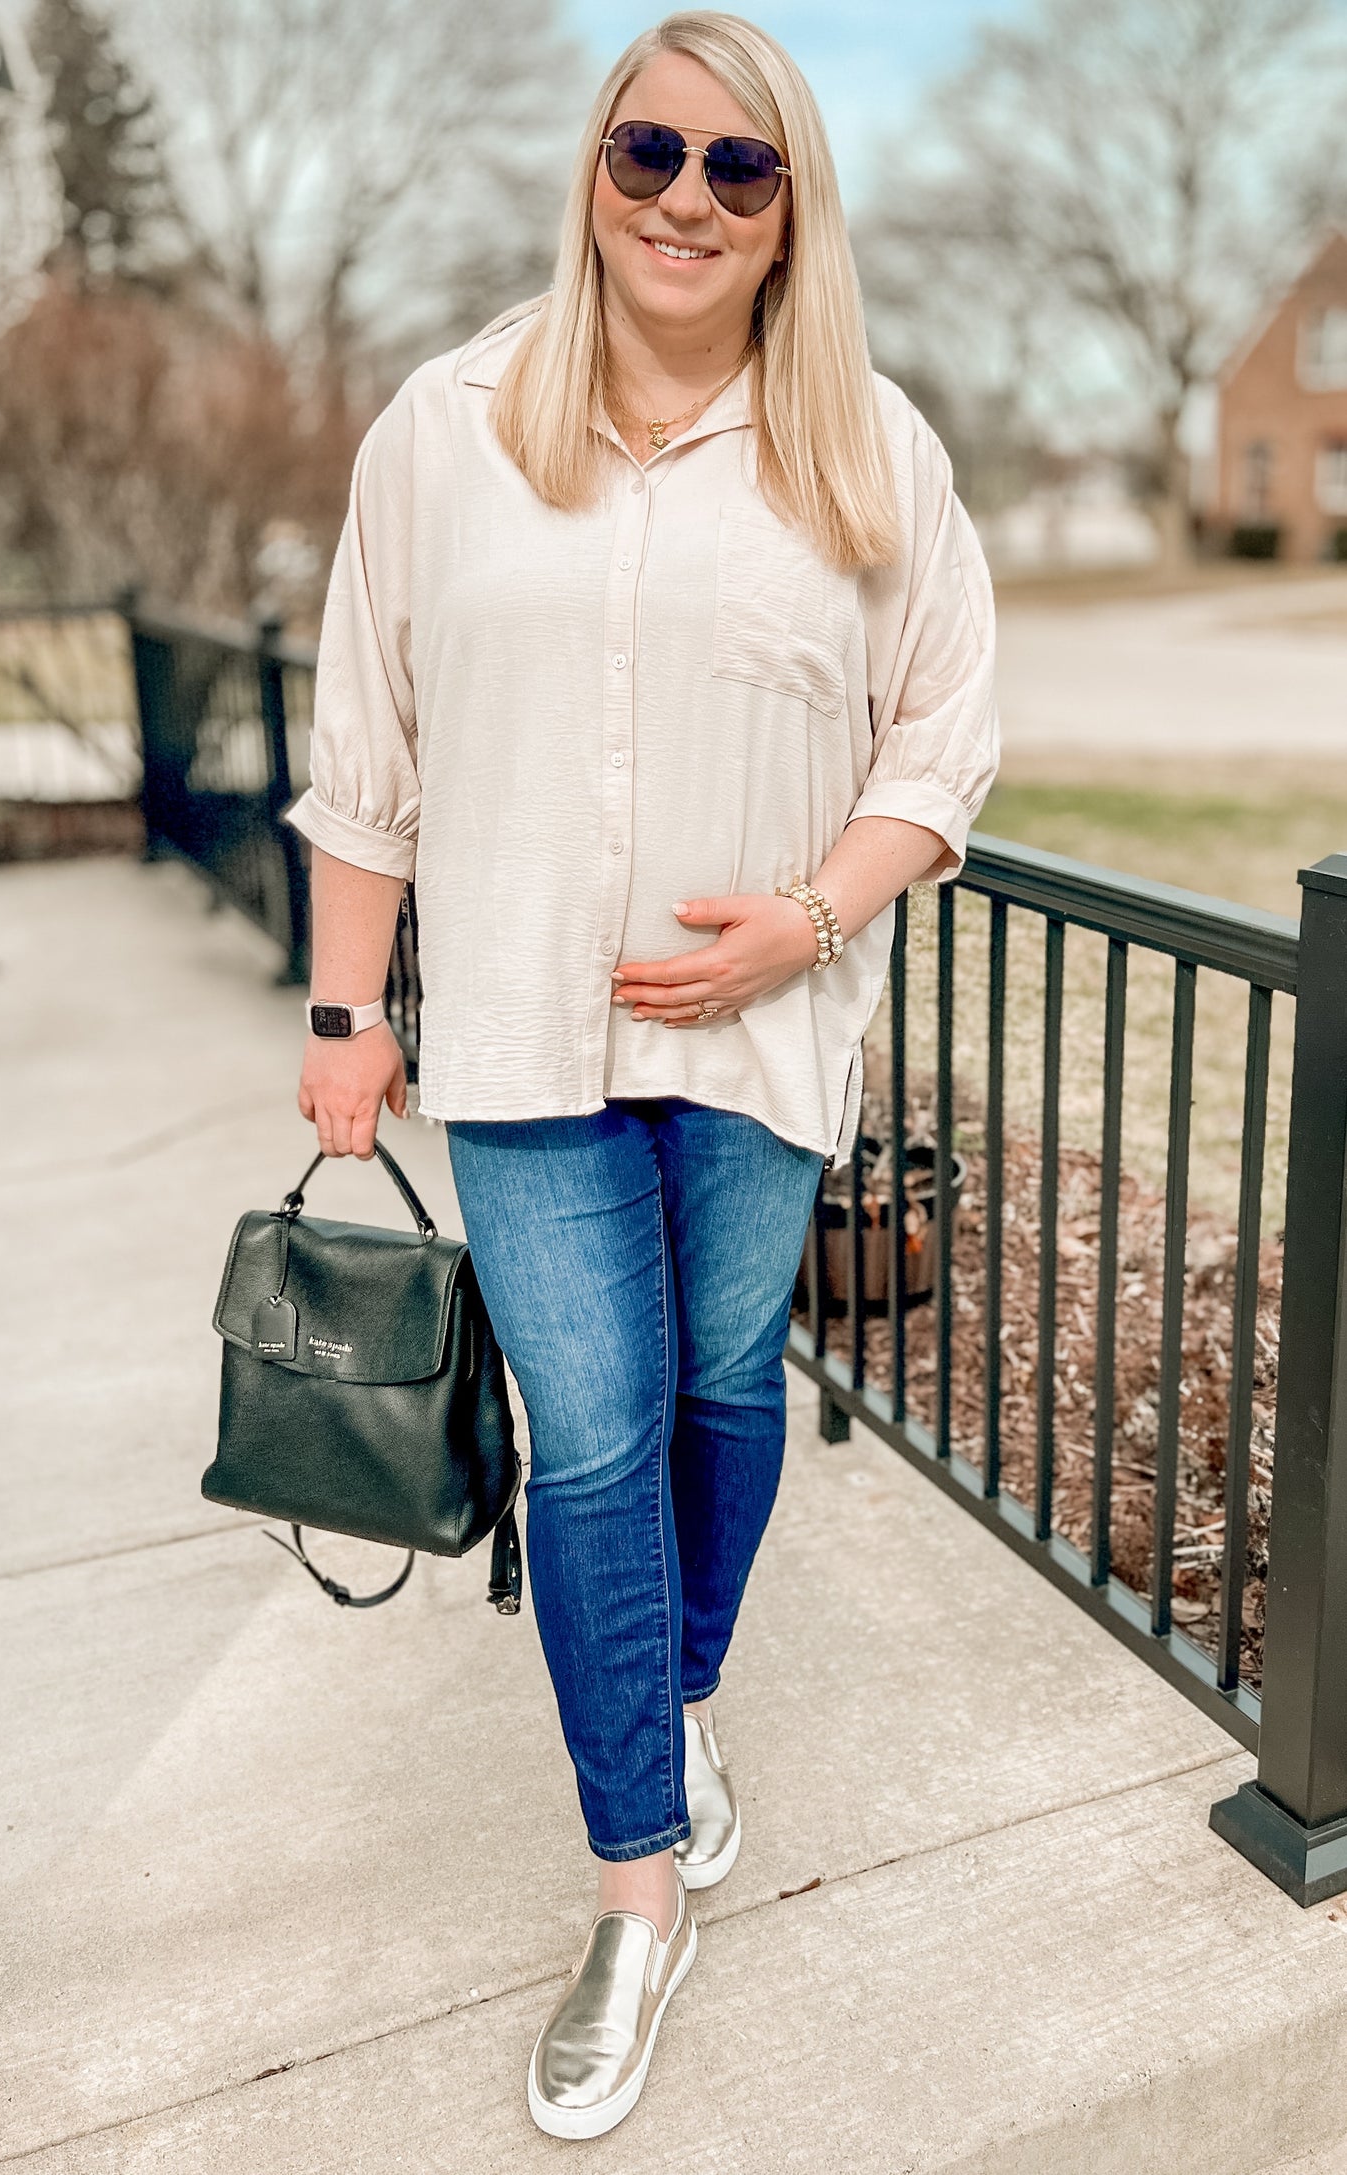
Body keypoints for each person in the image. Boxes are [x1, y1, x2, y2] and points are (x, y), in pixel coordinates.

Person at [286, 8, 999, 2142]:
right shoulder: (444, 429)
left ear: (788, 214)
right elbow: (365, 748)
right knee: (588, 1441)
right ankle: (634, 1888)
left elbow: (941, 736)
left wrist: (807, 919)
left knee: (716, 1394)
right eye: (646, 152)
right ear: (593, 169)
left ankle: (670, 1699)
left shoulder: (869, 451)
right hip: (519, 1038)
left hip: (762, 1035)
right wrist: (344, 1015)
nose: (684, 196)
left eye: (736, 167)